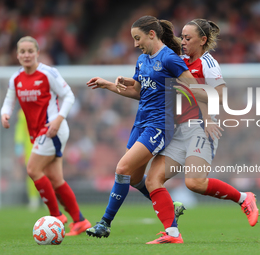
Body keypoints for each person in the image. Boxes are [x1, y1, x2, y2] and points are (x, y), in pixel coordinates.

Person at [144, 19, 259, 244]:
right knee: (153, 179)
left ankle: (245, 198)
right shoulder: (181, 61)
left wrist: (208, 116)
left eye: (188, 38)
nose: (183, 41)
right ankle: (173, 234)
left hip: (200, 127)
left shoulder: (208, 63)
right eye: (182, 37)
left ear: (203, 40)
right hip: (178, 131)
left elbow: (221, 95)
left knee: (194, 182)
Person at [85, 15, 201, 239]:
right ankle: (170, 207)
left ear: (151, 34)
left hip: (159, 126)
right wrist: (108, 84)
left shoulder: (169, 58)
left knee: (121, 169)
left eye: (138, 38)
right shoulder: (142, 60)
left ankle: (105, 223)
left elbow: (194, 88)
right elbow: (139, 92)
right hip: (140, 123)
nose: (136, 44)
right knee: (137, 179)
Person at [1, 36, 91, 236]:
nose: (26, 55)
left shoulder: (48, 73)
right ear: (17, 55)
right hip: (38, 133)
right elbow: (9, 101)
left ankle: (56, 216)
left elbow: (68, 96)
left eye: (30, 51)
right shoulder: (15, 78)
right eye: (22, 51)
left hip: (53, 129)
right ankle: (80, 220)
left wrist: (58, 119)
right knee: (56, 179)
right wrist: (4, 114)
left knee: (33, 169)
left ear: (37, 53)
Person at [14, 108, 40, 211]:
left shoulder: (45, 107)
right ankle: (34, 199)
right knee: (32, 174)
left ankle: (49, 199)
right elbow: (20, 129)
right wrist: (19, 145)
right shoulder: (23, 112)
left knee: (47, 173)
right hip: (29, 146)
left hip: (44, 144)